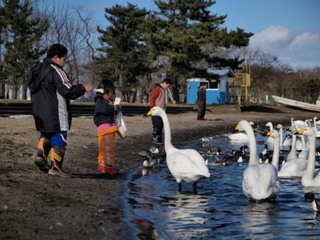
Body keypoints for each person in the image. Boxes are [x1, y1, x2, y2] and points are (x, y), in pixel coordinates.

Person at [28, 43, 93, 177]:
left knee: (46, 133)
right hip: (55, 110)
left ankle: (41, 155)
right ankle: (56, 167)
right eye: (64, 59)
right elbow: (67, 90)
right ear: (56, 58)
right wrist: (83, 88)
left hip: (39, 110)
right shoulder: (56, 70)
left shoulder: (36, 68)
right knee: (59, 136)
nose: (64, 62)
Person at [94, 80, 120, 175]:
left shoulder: (107, 102)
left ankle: (104, 164)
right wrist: (114, 108)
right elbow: (105, 109)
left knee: (106, 148)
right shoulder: (100, 102)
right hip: (106, 129)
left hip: (109, 129)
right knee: (107, 149)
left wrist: (116, 109)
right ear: (103, 92)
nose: (111, 95)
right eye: (110, 93)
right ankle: (106, 167)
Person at [149, 77, 173, 144]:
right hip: (156, 112)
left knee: (161, 125)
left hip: (161, 112)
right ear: (165, 83)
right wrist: (154, 109)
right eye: (167, 86)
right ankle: (155, 138)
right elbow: (152, 99)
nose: (167, 88)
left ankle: (158, 138)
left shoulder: (162, 90)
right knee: (157, 125)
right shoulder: (157, 89)